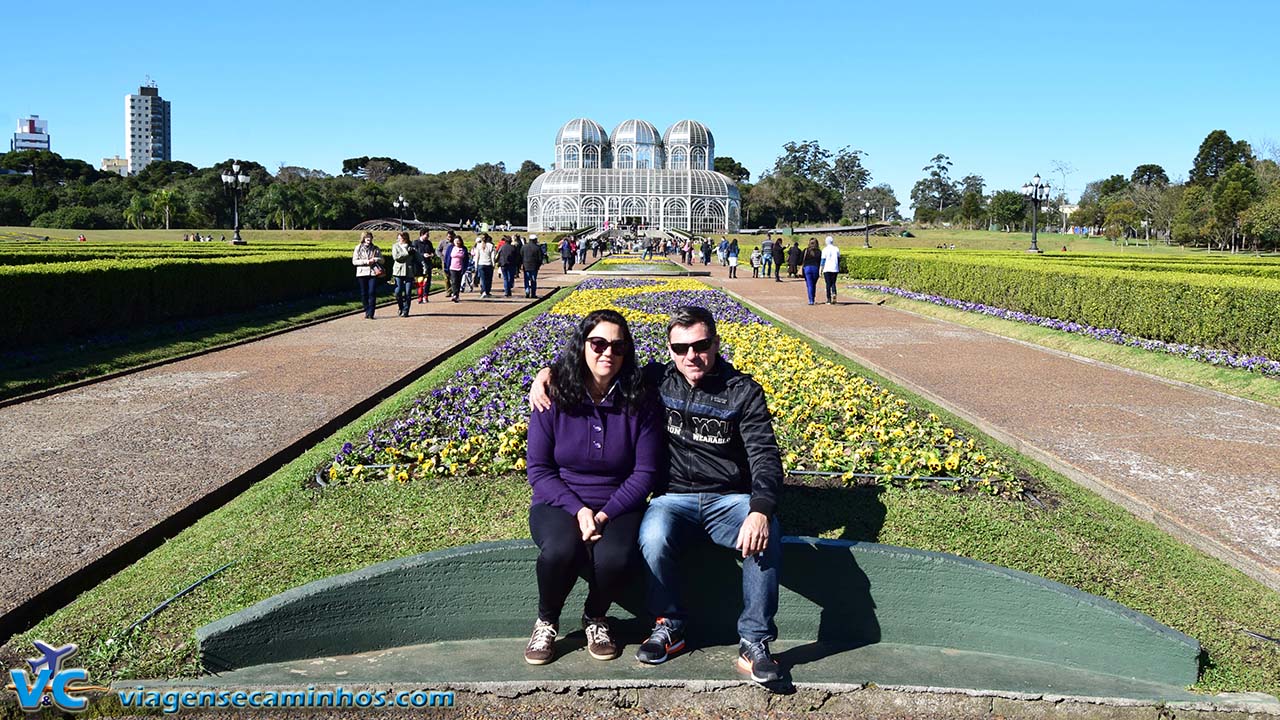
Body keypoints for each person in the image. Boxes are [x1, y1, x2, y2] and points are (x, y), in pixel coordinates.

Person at [530, 306, 785, 684]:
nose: (691, 356)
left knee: (765, 535)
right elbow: (590, 368)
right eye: (680, 349)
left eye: (700, 346)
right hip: (673, 498)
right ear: (669, 350)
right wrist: (546, 374)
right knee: (650, 535)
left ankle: (755, 641)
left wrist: (761, 508)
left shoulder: (741, 392)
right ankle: (670, 626)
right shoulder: (657, 379)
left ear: (716, 343)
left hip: (729, 498)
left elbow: (765, 455)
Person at [523, 310, 663, 665]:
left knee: (615, 558)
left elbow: (645, 472)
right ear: (582, 346)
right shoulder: (553, 394)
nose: (607, 354)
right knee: (560, 550)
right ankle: (547, 620)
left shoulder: (640, 398)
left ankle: (595, 617)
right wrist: (580, 510)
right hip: (560, 499)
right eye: (598, 343)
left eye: (617, 346)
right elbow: (539, 470)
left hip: (618, 502)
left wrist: (604, 513)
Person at [351, 231, 383, 319]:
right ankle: (367, 310)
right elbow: (354, 261)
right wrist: (366, 262)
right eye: (367, 237)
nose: (369, 239)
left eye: (370, 237)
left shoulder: (376, 248)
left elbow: (382, 260)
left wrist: (376, 259)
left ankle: (371, 312)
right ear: (363, 238)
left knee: (372, 292)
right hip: (362, 273)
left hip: (373, 273)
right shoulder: (358, 248)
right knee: (364, 293)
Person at [390, 231, 417, 317]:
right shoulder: (395, 246)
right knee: (398, 291)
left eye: (400, 238)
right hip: (398, 271)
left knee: (408, 292)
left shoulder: (411, 247)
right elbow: (396, 257)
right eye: (398, 238)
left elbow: (418, 257)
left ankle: (406, 311)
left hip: (409, 272)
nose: (399, 240)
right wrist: (407, 253)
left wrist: (424, 267)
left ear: (405, 238)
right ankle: (401, 307)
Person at [443, 235, 469, 303]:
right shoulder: (451, 248)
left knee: (458, 282)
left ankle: (457, 294)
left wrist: (465, 268)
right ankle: (455, 295)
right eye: (455, 241)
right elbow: (447, 257)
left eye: (458, 241)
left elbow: (466, 259)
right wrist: (446, 266)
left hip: (460, 267)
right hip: (452, 267)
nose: (457, 242)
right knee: (454, 281)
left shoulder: (464, 249)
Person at [413, 230, 435, 303]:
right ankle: (419, 297)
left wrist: (432, 254)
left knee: (427, 282)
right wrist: (423, 255)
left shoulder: (429, 243)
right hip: (419, 265)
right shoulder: (415, 242)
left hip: (427, 264)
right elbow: (415, 252)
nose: (428, 237)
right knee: (419, 282)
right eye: (427, 235)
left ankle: (425, 296)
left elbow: (432, 251)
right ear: (422, 234)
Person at [819, 236, 841, 304]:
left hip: (827, 268)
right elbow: (839, 258)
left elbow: (823, 261)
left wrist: (820, 269)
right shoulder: (836, 249)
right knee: (833, 283)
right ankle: (834, 293)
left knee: (828, 284)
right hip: (834, 268)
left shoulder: (824, 250)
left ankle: (829, 299)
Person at [474, 234, 496, 298]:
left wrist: (476, 265)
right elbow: (493, 257)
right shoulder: (491, 246)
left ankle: (483, 291)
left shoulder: (478, 246)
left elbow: (477, 256)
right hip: (488, 264)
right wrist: (493, 264)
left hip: (481, 264)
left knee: (483, 279)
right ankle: (487, 291)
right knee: (489, 279)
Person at [801, 238, 822, 305]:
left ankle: (811, 300)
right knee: (813, 284)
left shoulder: (806, 250)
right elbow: (820, 261)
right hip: (815, 268)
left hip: (807, 268)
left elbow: (800, 260)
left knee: (809, 284)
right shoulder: (819, 251)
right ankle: (813, 297)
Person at [522, 234, 543, 298]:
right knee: (533, 280)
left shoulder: (524, 247)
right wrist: (539, 265)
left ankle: (527, 291)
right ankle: (533, 293)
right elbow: (540, 258)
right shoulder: (537, 247)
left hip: (526, 265)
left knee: (526, 279)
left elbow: (521, 255)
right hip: (534, 266)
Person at [438, 231, 455, 296]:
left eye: (451, 237)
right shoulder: (443, 242)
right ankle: (448, 291)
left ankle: (453, 290)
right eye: (448, 237)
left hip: (453, 261)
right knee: (446, 277)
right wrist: (442, 256)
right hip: (445, 261)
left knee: (453, 277)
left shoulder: (455, 242)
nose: (450, 238)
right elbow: (438, 250)